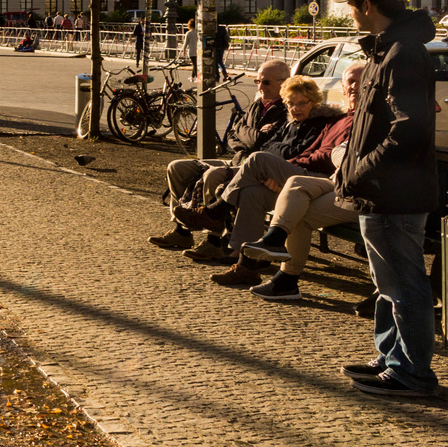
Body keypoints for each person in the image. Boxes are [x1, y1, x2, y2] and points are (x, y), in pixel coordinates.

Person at [329, 0, 439, 397]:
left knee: (404, 284)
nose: (350, 13)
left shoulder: (401, 53)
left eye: (352, 5)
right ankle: (393, 356)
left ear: (367, 6)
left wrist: (359, 170)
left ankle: (412, 372)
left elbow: (408, 131)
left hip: (393, 193)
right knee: (390, 282)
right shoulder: (387, 50)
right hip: (384, 191)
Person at [199, 74, 350, 281]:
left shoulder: (326, 120)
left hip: (318, 180)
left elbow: (321, 156)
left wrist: (287, 162)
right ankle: (247, 265)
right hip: (297, 172)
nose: (295, 108)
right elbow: (270, 146)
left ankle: (216, 211)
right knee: (252, 192)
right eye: (291, 104)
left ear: (314, 102)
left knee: (258, 160)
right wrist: (284, 162)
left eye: (301, 103)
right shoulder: (310, 122)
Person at [238, 63, 368, 300]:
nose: (354, 87)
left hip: (361, 188)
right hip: (335, 180)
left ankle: (286, 276)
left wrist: (335, 159)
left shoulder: (371, 116)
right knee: (295, 185)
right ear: (342, 86)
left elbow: (339, 154)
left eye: (361, 81)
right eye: (350, 81)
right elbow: (328, 150)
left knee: (298, 206)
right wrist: (329, 159)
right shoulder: (340, 118)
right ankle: (274, 246)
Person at [149, 58, 291, 253]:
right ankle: (182, 231)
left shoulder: (286, 109)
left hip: (250, 168)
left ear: (283, 83)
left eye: (266, 82)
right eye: (257, 81)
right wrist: (249, 133)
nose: (260, 86)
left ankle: (214, 240)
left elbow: (260, 143)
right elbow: (233, 135)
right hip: (237, 158)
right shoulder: (258, 104)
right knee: (177, 167)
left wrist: (246, 132)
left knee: (213, 175)